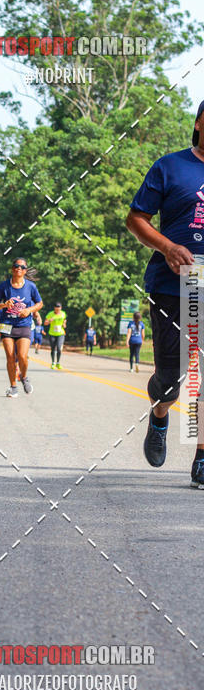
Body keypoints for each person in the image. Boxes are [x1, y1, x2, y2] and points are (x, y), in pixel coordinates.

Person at [126, 99, 204, 485]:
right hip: (172, 284)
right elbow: (136, 219)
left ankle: (202, 454)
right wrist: (167, 247)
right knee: (172, 379)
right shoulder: (171, 166)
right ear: (198, 125)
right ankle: (160, 416)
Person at [0, 259, 43, 396]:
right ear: (12, 269)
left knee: (22, 356)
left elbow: (39, 303)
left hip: (24, 325)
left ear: (25, 270)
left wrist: (29, 310)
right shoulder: (4, 286)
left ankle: (24, 376)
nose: (18, 268)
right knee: (10, 356)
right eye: (16, 266)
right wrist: (3, 305)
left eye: (22, 267)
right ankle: (13, 386)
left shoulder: (30, 286)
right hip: (7, 325)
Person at [44, 302, 67, 369]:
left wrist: (64, 324)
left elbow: (64, 320)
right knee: (53, 348)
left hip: (61, 333)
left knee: (59, 348)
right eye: (56, 309)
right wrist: (49, 321)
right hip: (52, 333)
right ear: (54, 308)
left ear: (61, 308)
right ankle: (53, 362)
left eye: (59, 308)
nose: (58, 310)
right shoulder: (50, 314)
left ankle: (58, 363)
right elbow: (45, 323)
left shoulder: (63, 313)